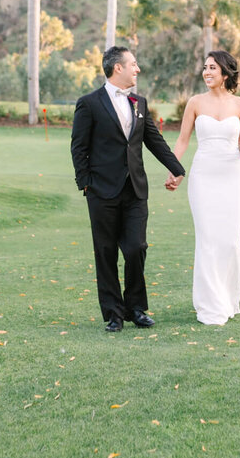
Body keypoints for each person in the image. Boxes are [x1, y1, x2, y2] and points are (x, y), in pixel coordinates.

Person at [70, 46, 186, 333]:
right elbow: (78, 146)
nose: (138, 69)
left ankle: (136, 308)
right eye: (133, 64)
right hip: (101, 191)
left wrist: (178, 168)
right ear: (117, 68)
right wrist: (85, 183)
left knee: (136, 248)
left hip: (135, 190)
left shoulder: (139, 102)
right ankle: (113, 313)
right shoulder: (89, 103)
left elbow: (154, 141)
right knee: (106, 251)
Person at [172, 50, 240, 326]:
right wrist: (175, 170)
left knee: (231, 240)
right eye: (205, 67)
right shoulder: (195, 103)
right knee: (208, 240)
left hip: (233, 178)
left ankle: (228, 296)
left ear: (225, 73)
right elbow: (183, 140)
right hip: (203, 177)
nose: (207, 72)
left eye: (212, 68)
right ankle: (210, 304)